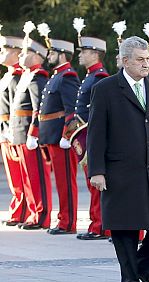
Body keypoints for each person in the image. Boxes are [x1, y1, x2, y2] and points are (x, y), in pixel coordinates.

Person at [86, 36, 149, 282]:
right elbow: (96, 132)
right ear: (125, 61)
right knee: (124, 229)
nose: (146, 63)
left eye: (148, 58)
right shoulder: (106, 88)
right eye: (140, 59)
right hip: (121, 170)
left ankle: (145, 270)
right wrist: (97, 170)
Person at [30, 39, 80, 235]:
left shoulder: (68, 76)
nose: (48, 56)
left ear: (62, 55)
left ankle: (68, 222)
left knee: (66, 181)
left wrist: (67, 135)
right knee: (60, 181)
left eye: (52, 53)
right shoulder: (57, 76)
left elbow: (71, 109)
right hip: (51, 135)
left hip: (61, 137)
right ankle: (63, 219)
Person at [74, 36, 110, 240]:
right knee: (91, 183)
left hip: (91, 134)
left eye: (84, 52)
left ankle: (100, 226)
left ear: (95, 53)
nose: (80, 55)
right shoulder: (90, 75)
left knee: (96, 184)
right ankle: (96, 223)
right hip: (84, 133)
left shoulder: (99, 77)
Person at [13, 39, 51, 230]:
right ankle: (33, 213)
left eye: (25, 52)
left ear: (36, 55)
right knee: (27, 177)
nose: (20, 55)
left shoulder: (38, 77)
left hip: (29, 131)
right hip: (20, 130)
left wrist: (33, 133)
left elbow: (39, 108)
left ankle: (41, 215)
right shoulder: (28, 76)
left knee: (37, 177)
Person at [0, 36, 28, 227]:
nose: (2, 54)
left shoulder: (18, 76)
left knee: (20, 175)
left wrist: (10, 129)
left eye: (5, 50)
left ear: (16, 53)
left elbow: (16, 107)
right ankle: (17, 209)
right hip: (5, 129)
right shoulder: (8, 75)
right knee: (13, 177)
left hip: (14, 129)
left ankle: (23, 210)